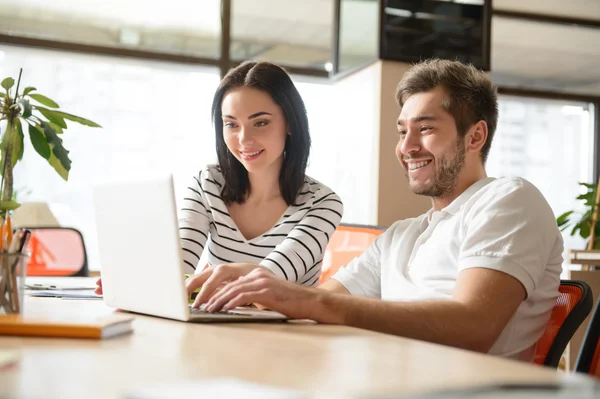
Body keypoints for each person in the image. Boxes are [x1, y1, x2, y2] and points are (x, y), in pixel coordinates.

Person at [194, 59, 563, 361]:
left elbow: (474, 327)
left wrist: (299, 297)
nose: (407, 147)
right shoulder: (400, 236)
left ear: (476, 137)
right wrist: (265, 292)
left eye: (426, 129)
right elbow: (322, 306)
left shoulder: (508, 199)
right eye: (403, 132)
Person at [95, 61, 343, 296]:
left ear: (290, 123)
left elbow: (270, 279)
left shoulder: (323, 203)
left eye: (261, 122)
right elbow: (180, 261)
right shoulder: (208, 183)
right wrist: (144, 282)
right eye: (231, 124)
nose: (244, 139)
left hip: (293, 336)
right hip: (218, 330)